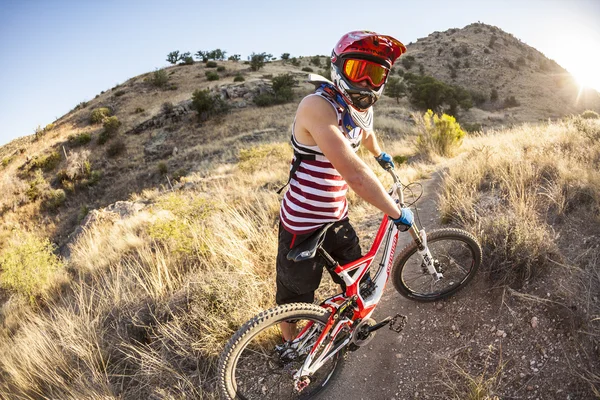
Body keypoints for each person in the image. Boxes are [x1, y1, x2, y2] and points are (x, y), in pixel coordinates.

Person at [276, 31, 414, 341]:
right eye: (357, 70)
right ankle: (291, 347)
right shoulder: (317, 106)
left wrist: (381, 155)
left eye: (375, 73)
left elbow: (365, 133)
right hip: (302, 223)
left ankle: (354, 326)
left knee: (355, 277)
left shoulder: (360, 109)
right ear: (338, 67)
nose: (365, 82)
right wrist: (395, 212)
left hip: (337, 216)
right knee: (295, 297)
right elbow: (354, 174)